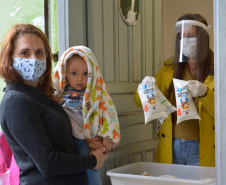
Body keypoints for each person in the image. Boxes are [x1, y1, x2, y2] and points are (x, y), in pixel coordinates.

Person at [0, 23, 108, 185]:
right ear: (9, 58)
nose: (34, 59)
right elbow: (48, 162)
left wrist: (91, 141)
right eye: (25, 52)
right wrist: (92, 160)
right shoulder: (16, 102)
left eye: (39, 52)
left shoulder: (41, 96)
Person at [134, 14, 214, 167]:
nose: (185, 41)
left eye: (190, 36)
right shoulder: (169, 68)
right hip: (171, 146)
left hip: (202, 149)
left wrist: (205, 93)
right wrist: (144, 87)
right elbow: (139, 102)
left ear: (203, 38)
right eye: (182, 36)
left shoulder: (218, 68)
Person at [53, 46, 121, 185]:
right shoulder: (59, 94)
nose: (80, 79)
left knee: (91, 169)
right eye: (74, 73)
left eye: (85, 74)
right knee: (69, 172)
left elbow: (109, 111)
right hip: (66, 139)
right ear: (64, 73)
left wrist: (108, 134)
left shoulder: (96, 93)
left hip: (85, 139)